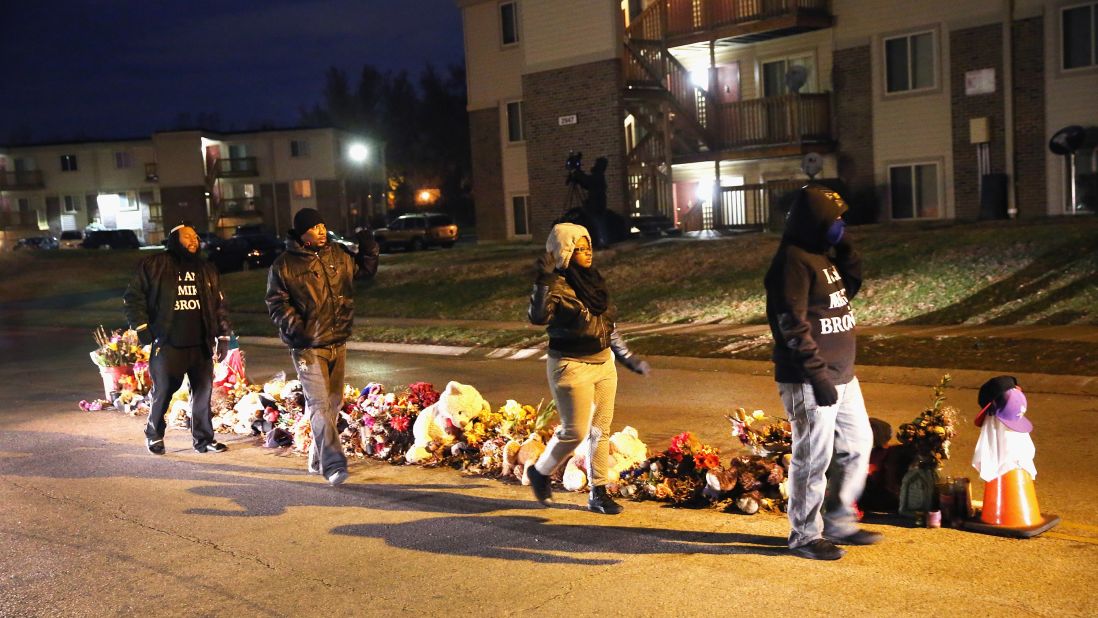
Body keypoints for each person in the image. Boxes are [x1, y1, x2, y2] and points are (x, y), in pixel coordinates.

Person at [763, 184, 880, 560]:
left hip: (844, 377)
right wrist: (817, 376)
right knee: (813, 458)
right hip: (811, 379)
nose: (841, 223)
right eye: (836, 218)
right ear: (815, 221)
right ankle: (804, 535)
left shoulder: (820, 256)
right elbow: (791, 326)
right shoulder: (791, 263)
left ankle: (839, 520)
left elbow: (844, 294)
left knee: (858, 445)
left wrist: (846, 251)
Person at [526, 222, 650, 514]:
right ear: (565, 253)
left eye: (588, 247)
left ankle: (598, 492)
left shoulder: (594, 281)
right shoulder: (554, 284)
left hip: (604, 363)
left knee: (600, 431)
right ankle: (540, 472)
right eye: (579, 249)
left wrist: (626, 357)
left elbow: (608, 325)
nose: (587, 253)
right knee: (575, 432)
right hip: (571, 366)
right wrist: (542, 281)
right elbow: (538, 317)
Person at [266, 208, 379, 486]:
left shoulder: (338, 255)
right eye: (313, 227)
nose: (320, 231)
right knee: (318, 404)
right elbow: (277, 304)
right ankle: (333, 464)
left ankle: (317, 459)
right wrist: (300, 331)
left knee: (332, 403)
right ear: (301, 233)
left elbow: (364, 271)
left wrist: (369, 246)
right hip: (308, 347)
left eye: (322, 225)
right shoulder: (284, 265)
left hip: (337, 341)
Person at [123, 222, 232, 455]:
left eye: (195, 236)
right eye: (187, 237)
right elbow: (134, 297)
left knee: (203, 393)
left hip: (200, 343)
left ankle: (203, 440)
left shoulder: (207, 269)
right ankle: (154, 435)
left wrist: (223, 336)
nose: (194, 241)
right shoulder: (155, 265)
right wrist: (143, 328)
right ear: (174, 240)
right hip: (168, 343)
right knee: (163, 392)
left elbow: (219, 305)